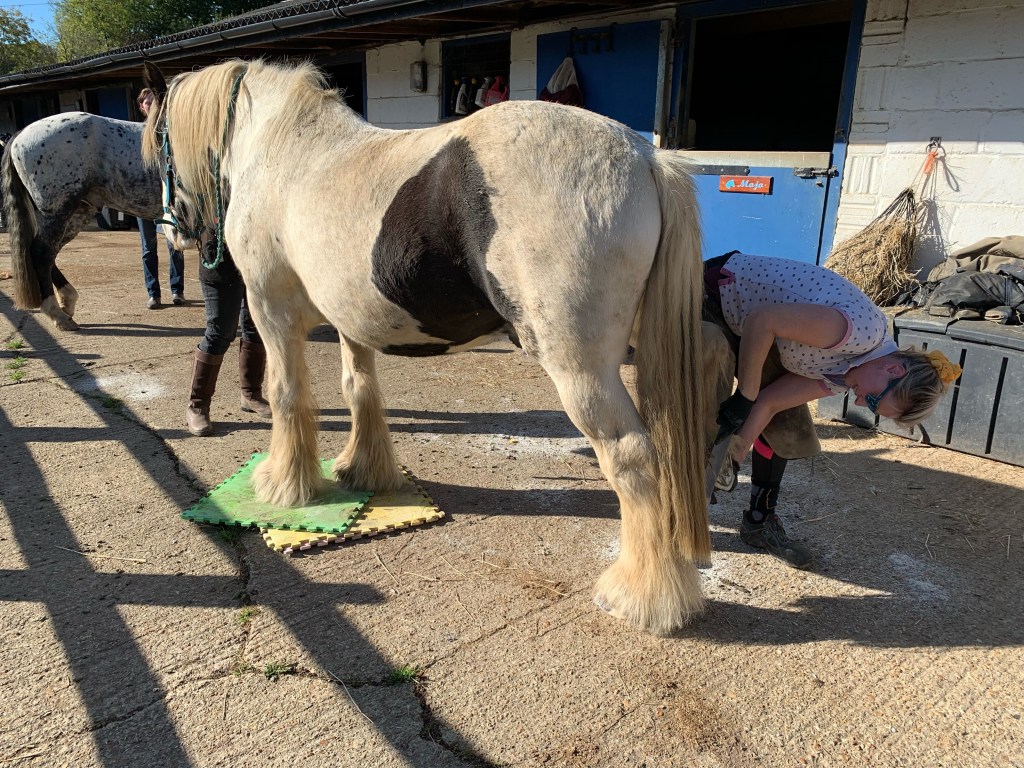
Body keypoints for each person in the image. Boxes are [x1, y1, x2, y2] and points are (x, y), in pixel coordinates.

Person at [706, 251, 962, 568]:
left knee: (789, 423)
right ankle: (671, 510)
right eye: (873, 399)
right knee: (706, 389)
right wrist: (745, 393)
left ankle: (759, 520)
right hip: (716, 293)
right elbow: (764, 320)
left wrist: (734, 454)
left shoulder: (846, 375)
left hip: (745, 324)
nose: (859, 403)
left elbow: (770, 403)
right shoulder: (862, 333)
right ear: (893, 370)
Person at [186, 238, 272, 436]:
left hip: (255, 260)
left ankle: (251, 394)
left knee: (256, 327)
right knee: (220, 332)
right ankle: (197, 405)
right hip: (220, 262)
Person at [136, 88, 185, 309]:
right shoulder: (137, 133)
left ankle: (177, 290)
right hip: (144, 201)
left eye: (154, 101)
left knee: (174, 245)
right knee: (148, 248)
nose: (151, 105)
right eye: (147, 102)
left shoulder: (170, 132)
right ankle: (153, 293)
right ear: (142, 107)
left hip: (166, 199)